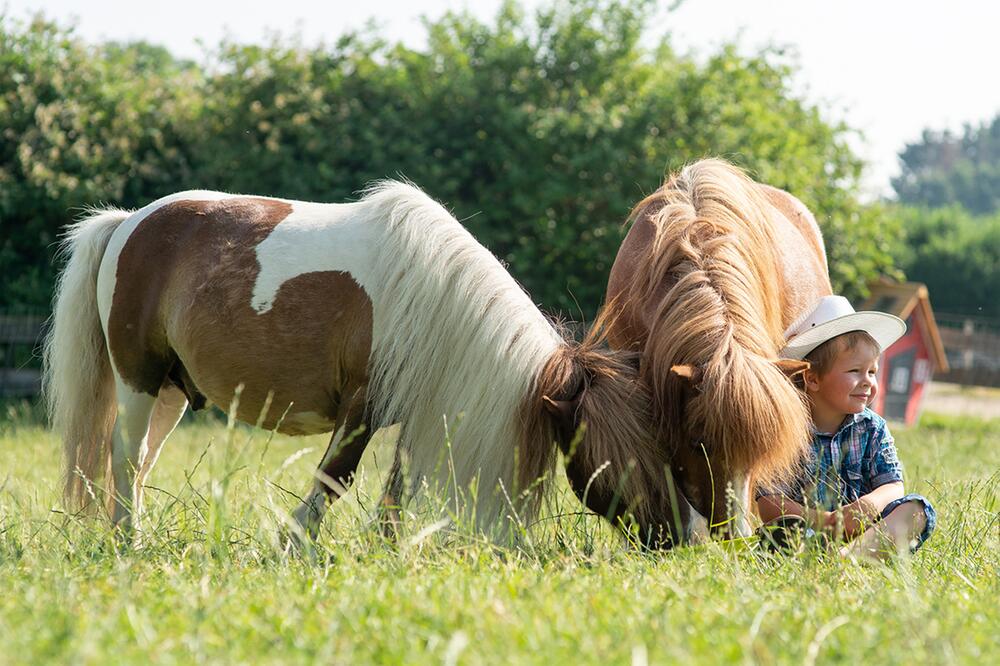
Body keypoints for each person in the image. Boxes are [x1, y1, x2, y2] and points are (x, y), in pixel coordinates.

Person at [756, 295, 936, 560]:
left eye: (872, 372)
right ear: (813, 378)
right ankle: (813, 552)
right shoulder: (787, 430)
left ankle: (847, 557)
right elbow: (768, 503)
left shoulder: (872, 428)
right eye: (855, 371)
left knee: (918, 509)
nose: (867, 382)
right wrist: (825, 520)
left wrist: (868, 504)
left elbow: (893, 485)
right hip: (807, 528)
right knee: (781, 530)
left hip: (863, 529)